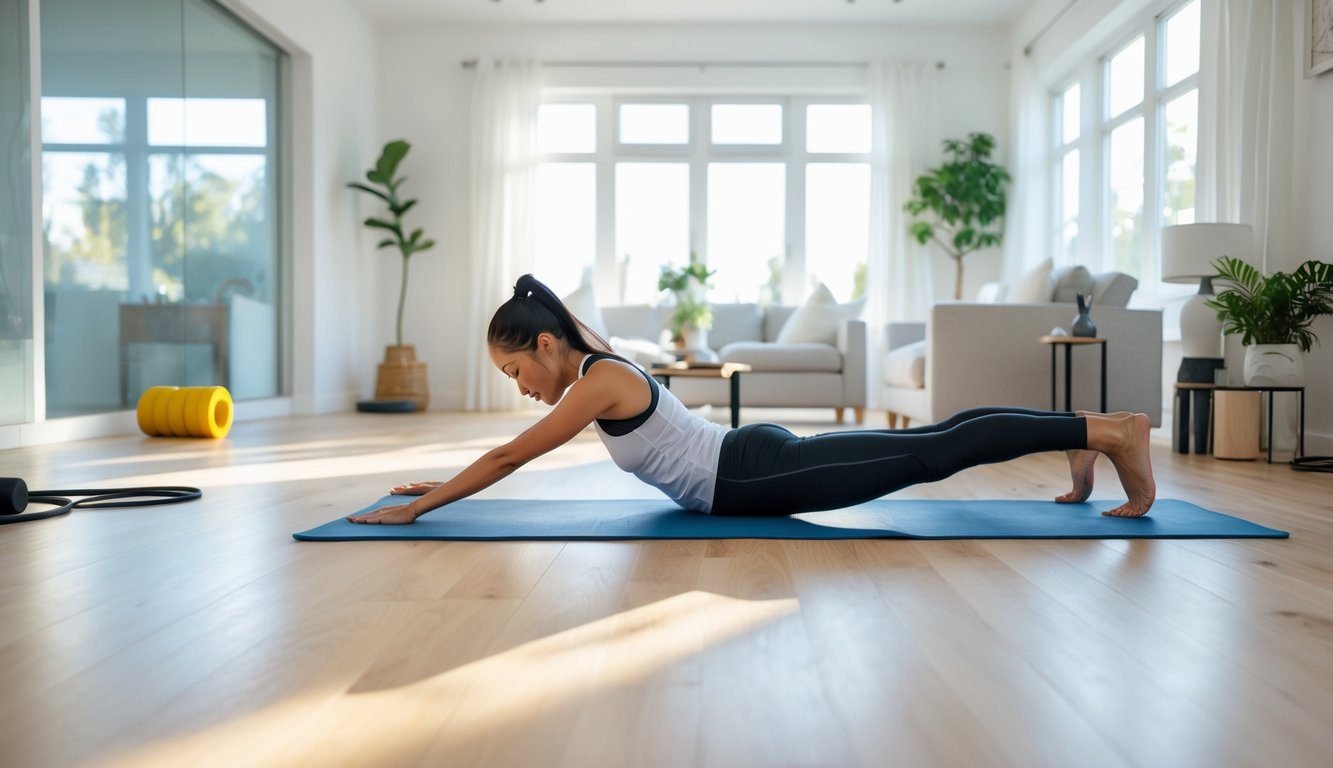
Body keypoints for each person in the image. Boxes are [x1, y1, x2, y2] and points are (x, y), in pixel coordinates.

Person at [348, 274, 1155, 525]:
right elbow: (549, 316)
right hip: (751, 463)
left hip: (757, 475)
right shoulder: (589, 357)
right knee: (937, 439)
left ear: (548, 347)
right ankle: (1084, 432)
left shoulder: (595, 382)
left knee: (932, 450)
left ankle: (1112, 431)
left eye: (514, 370)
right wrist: (440, 489)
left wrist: (423, 507)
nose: (519, 388)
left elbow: (507, 455)